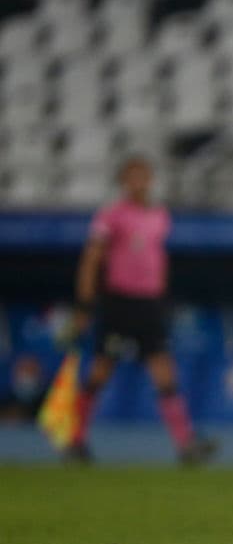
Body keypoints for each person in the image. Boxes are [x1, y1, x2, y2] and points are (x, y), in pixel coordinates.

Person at [65, 156, 217, 464]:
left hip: (149, 305)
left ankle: (185, 443)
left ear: (150, 180)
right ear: (123, 182)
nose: (138, 183)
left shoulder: (160, 215)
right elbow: (92, 259)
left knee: (164, 372)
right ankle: (74, 439)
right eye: (132, 177)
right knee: (99, 372)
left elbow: (156, 258)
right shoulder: (111, 215)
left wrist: (160, 296)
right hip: (119, 302)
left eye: (143, 176)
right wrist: (84, 303)